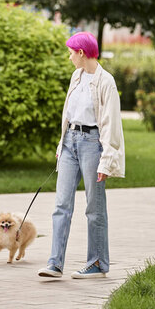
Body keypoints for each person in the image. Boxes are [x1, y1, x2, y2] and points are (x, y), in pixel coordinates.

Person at [38, 31, 125, 279]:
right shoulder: (76, 76)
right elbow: (68, 113)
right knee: (61, 205)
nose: (69, 58)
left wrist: (107, 160)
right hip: (70, 144)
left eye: (70, 52)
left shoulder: (105, 81)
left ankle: (97, 263)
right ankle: (55, 263)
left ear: (81, 53)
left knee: (94, 207)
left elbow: (111, 123)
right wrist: (61, 144)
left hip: (92, 144)